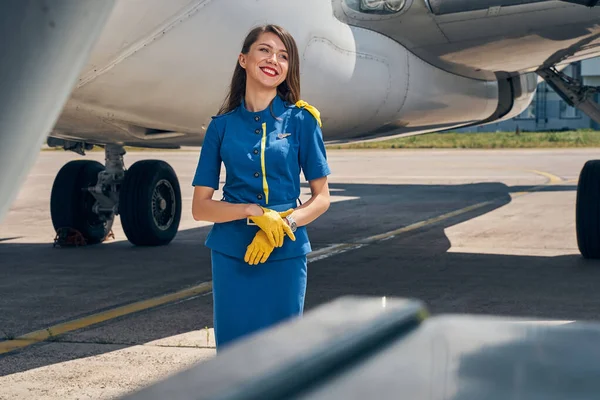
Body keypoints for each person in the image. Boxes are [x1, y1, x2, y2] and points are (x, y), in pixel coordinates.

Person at [191, 24, 331, 351]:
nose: (274, 60)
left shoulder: (302, 120)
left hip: (286, 252)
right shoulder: (220, 127)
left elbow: (322, 198)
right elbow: (200, 207)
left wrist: (284, 224)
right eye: (265, 50)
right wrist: (251, 212)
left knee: (283, 354)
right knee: (233, 355)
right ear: (244, 59)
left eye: (284, 56)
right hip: (231, 253)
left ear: (288, 69)